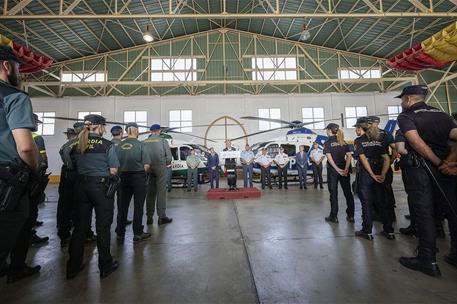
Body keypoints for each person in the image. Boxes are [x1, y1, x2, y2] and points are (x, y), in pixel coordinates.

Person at [396, 85, 457, 277]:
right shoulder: (443, 115)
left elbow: (415, 142)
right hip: (447, 170)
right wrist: (451, 162)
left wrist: (437, 162)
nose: (402, 103)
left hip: (421, 169)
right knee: (452, 210)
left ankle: (427, 260)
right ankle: (455, 255)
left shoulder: (407, 116)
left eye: (402, 100)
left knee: (424, 213)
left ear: (408, 99)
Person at [0, 45, 40, 284]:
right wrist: (33, 170)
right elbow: (25, 147)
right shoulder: (14, 96)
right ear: (7, 65)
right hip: (6, 181)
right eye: (18, 67)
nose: (19, 72)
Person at [67, 114, 120, 280]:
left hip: (81, 187)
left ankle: (73, 267)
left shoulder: (75, 144)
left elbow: (70, 165)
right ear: (100, 126)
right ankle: (105, 265)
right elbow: (114, 170)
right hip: (101, 188)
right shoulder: (107, 145)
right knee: (103, 227)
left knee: (80, 227)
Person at [353, 117, 394, 241]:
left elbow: (363, 159)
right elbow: (386, 158)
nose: (355, 130)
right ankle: (389, 230)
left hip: (367, 174)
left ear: (360, 128)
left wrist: (371, 174)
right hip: (380, 171)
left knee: (366, 203)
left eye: (356, 128)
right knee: (382, 202)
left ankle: (367, 231)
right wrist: (382, 174)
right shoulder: (378, 140)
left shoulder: (359, 141)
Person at [115, 123, 151, 242]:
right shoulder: (141, 145)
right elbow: (146, 165)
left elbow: (114, 165)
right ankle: (137, 233)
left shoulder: (119, 145)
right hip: (138, 177)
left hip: (123, 177)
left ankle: (120, 232)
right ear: (137, 131)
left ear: (126, 131)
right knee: (138, 206)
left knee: (122, 206)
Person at [323, 123, 354, 223]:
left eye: (327, 130)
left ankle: (334, 216)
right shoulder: (343, 141)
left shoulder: (327, 143)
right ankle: (351, 216)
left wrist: (336, 169)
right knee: (348, 193)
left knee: (333, 193)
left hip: (333, 171)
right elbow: (349, 156)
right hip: (344, 170)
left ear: (330, 130)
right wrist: (345, 169)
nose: (326, 131)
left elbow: (329, 158)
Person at [369, 115, 397, 223]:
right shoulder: (387, 134)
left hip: (374, 165)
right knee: (387, 189)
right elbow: (395, 149)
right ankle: (391, 215)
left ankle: (379, 214)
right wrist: (390, 161)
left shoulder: (369, 135)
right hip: (385, 165)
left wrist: (390, 161)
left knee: (376, 191)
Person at [144, 124, 173, 226]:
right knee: (161, 192)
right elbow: (169, 157)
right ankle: (161, 217)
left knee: (150, 192)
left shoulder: (144, 142)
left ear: (151, 131)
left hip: (148, 168)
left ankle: (149, 217)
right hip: (160, 167)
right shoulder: (162, 141)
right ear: (159, 131)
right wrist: (167, 162)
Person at [29, 114, 49, 247]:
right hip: (34, 174)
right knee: (33, 203)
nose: (37, 125)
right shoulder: (37, 138)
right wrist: (44, 167)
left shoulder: (12, 134)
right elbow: (42, 157)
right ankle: (30, 232)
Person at [394, 130, 416, 237]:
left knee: (412, 195)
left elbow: (400, 149)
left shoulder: (402, 132)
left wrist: (412, 154)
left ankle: (415, 225)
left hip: (410, 166)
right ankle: (438, 226)